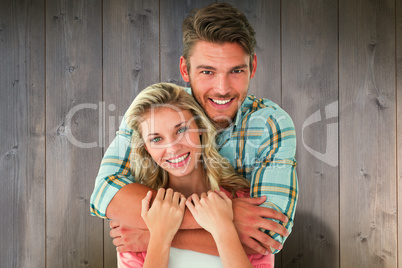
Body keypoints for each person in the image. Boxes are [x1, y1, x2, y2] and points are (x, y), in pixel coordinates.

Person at [90, 2, 298, 256]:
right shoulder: (154, 111)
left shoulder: (271, 124)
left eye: (236, 71)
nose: (222, 88)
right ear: (184, 69)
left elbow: (266, 237)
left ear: (252, 66)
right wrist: (223, 217)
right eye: (207, 72)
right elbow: (106, 193)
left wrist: (154, 233)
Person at [118, 82, 273, 267]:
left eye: (181, 130)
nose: (173, 148)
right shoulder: (140, 215)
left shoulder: (244, 203)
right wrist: (159, 236)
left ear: (200, 127)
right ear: (147, 149)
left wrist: (224, 228)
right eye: (156, 139)